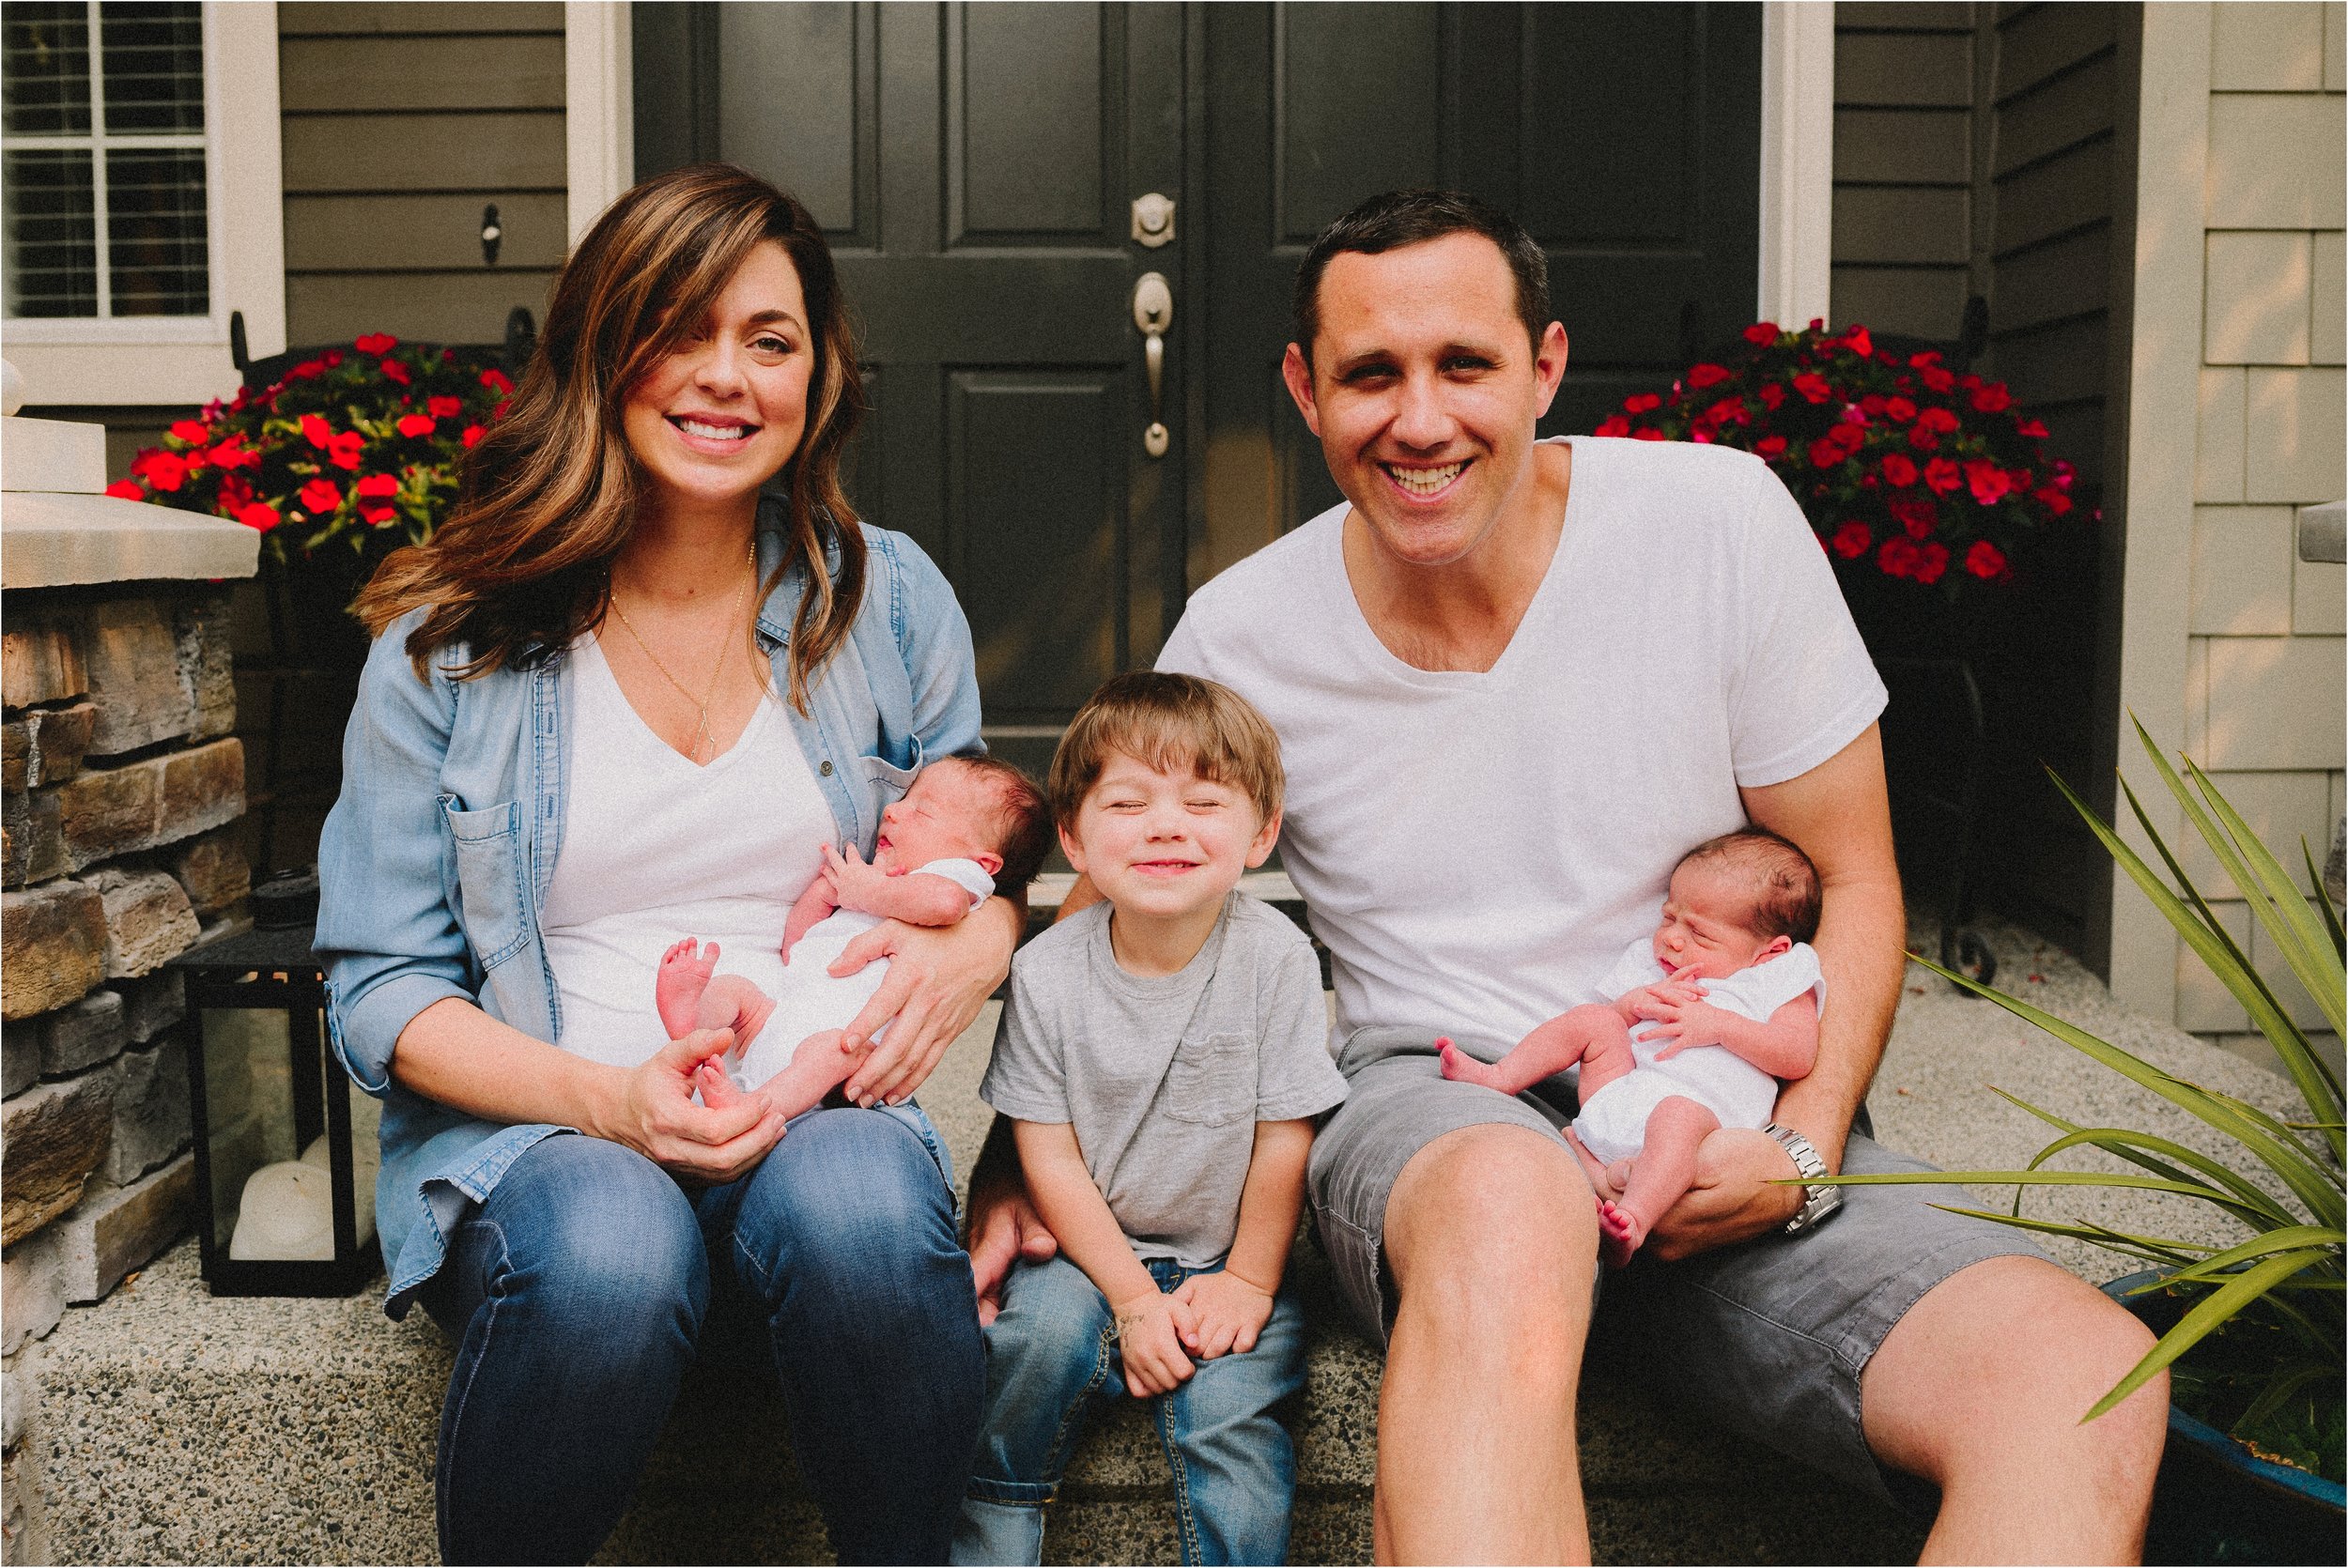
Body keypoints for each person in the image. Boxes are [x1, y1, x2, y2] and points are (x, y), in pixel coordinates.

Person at [967, 189, 2167, 1562]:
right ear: (1307, 390)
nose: (1421, 420)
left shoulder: (1714, 523)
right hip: (1433, 1108)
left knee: (2080, 1374)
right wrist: (1021, 1144)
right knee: (1510, 1195)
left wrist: (1805, 1142)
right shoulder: (1244, 634)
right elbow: (1115, 907)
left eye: (1464, 365)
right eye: (1372, 373)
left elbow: (1859, 880)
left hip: (1715, 1107)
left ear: (1544, 364)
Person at [315, 163, 1018, 1566]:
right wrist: (611, 1101)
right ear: (601, 348)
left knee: (871, 1213)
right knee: (614, 1246)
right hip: (544, 1130)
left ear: (819, 378)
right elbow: (381, 991)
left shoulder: (885, 597)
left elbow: (977, 850)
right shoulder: (449, 644)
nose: (726, 378)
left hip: (808, 1112)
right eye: (679, 330)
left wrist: (979, 941)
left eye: (770, 340)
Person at [953, 673, 1348, 1567]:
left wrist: (1249, 1279)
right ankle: (991, 1528)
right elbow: (1043, 1153)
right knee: (1032, 1345)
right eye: (1127, 803)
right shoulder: (1049, 973)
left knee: (1231, 1415)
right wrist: (1132, 1297)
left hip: (1233, 1254)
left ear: (1262, 834)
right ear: (1072, 838)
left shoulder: (1277, 959)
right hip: (1090, 1250)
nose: (1166, 825)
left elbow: (1286, 1132)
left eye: (1203, 802)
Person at [1441, 828, 1825, 1267]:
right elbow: (1618, 1026)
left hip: (1702, 1127)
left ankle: (1633, 1218)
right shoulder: (1653, 962)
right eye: (1668, 917)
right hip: (1619, 1097)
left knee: (1676, 1115)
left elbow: (1797, 1055)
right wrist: (1630, 1006)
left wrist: (1720, 1026)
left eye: (1700, 933)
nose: (1672, 939)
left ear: (1769, 951)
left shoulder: (1776, 978)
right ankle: (1499, 1077)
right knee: (1594, 1019)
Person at [654, 753, 1050, 1114]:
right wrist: (826, 893)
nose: (893, 811)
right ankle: (690, 1033)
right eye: (904, 800)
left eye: (923, 812)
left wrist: (866, 891)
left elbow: (946, 905)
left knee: (829, 1053)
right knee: (734, 992)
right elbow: (797, 945)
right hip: (773, 1020)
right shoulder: (874, 881)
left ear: (983, 863)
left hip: (843, 1048)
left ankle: (752, 1109)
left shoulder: (956, 877)